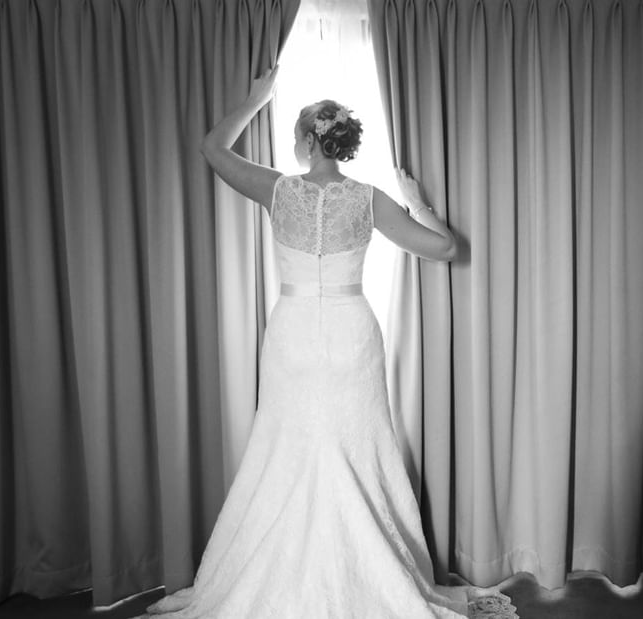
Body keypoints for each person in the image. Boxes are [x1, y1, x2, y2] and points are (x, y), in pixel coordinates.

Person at [130, 66, 516, 619]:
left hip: (291, 334)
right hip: (351, 331)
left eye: (295, 134)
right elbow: (445, 250)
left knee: (285, 447)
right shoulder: (369, 198)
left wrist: (251, 100)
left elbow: (212, 149)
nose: (293, 142)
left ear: (310, 140)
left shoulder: (276, 189)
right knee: (356, 447)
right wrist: (415, 201)